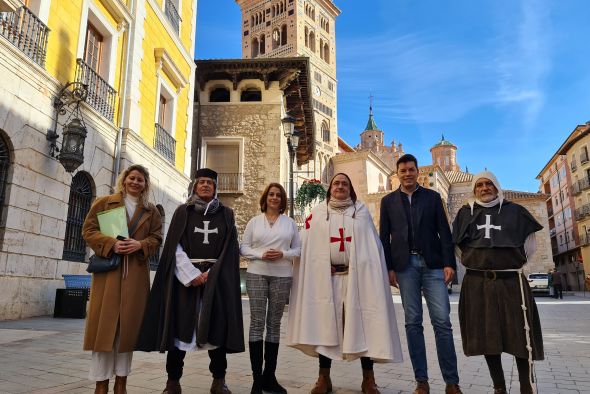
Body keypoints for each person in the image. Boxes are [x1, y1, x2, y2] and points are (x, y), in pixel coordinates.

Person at [287, 173, 403, 394]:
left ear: (351, 189)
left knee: (364, 325)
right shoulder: (318, 213)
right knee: (325, 326)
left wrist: (366, 269)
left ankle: (368, 379)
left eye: (345, 184)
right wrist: (318, 265)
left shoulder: (361, 213)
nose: (340, 187)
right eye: (336, 183)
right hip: (326, 279)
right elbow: (305, 244)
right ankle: (323, 378)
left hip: (358, 279)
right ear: (330, 188)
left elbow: (372, 246)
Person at [136, 168, 244, 394]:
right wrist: (191, 274)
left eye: (210, 183)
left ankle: (218, 380)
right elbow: (173, 246)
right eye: (201, 182)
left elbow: (230, 248)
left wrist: (212, 274)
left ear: (215, 188)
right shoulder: (182, 212)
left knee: (217, 331)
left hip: (217, 281)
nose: (205, 186)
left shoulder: (226, 214)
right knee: (179, 329)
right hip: (185, 281)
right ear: (195, 186)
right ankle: (172, 382)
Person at [452, 171, 544, 394]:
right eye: (480, 185)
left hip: (511, 281)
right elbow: (457, 248)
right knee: (488, 336)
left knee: (521, 334)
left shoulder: (515, 211)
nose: (485, 188)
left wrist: (508, 264)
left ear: (497, 186)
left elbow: (529, 246)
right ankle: (499, 387)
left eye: (489, 184)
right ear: (474, 190)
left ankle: (526, 386)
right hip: (478, 284)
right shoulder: (465, 213)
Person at [379, 154, 462, 394]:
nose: (407, 174)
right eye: (403, 170)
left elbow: (444, 232)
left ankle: (451, 382)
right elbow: (385, 237)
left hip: (433, 265)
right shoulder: (388, 202)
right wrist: (389, 268)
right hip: (405, 268)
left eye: (411, 170)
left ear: (418, 172)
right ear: (397, 173)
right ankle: (421, 382)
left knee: (442, 323)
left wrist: (450, 264)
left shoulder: (433, 198)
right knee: (413, 323)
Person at [82, 164, 163, 394]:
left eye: (140, 180)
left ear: (145, 184)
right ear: (124, 180)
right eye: (132, 178)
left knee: (126, 332)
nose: (136, 182)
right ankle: (100, 385)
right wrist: (111, 244)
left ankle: (121, 384)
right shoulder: (104, 203)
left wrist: (140, 244)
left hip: (135, 274)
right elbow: (88, 230)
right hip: (108, 274)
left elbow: (157, 238)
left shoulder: (151, 211)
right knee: (104, 331)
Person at [240, 183, 301, 394]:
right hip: (257, 273)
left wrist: (283, 254)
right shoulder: (254, 222)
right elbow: (244, 247)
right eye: (271, 194)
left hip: (282, 276)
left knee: (274, 324)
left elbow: (299, 249)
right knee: (257, 323)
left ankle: (270, 377)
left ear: (283, 200)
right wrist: (260, 254)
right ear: (265, 198)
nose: (274, 198)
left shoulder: (290, 223)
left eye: (278, 195)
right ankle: (257, 380)